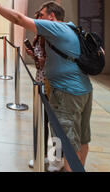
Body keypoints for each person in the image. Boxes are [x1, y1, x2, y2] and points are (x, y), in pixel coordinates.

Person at [0, 0, 93, 172]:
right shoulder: (71, 28)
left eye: (41, 15)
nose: (38, 19)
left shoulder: (55, 28)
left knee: (69, 145)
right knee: (82, 140)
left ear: (51, 16)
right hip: (84, 90)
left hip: (67, 93)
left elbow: (19, 19)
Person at [26, 12, 64, 172]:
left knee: (56, 124)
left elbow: (60, 61)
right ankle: (42, 155)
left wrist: (45, 61)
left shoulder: (53, 36)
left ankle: (59, 158)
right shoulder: (39, 36)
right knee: (42, 123)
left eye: (40, 15)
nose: (37, 20)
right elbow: (40, 65)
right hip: (41, 85)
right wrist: (35, 57)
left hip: (53, 86)